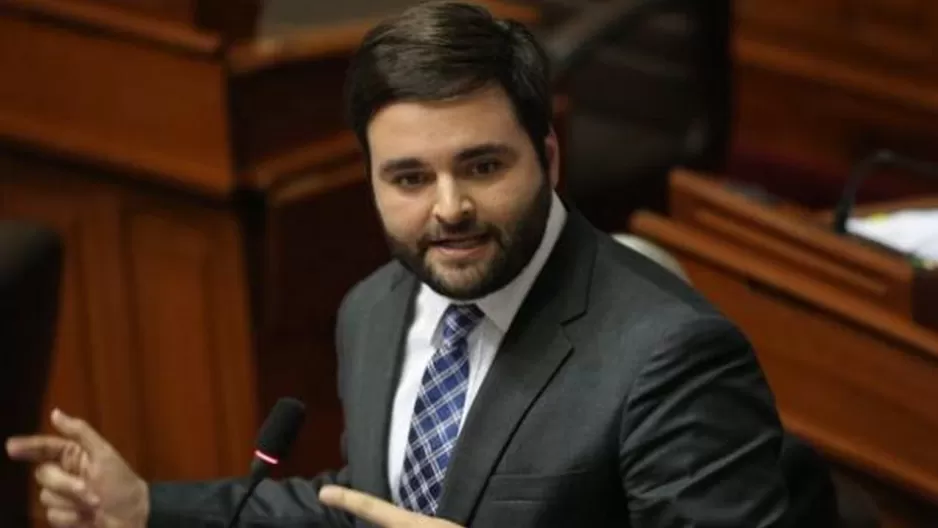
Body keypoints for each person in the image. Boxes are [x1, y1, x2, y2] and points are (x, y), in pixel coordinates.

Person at [7, 1, 794, 526]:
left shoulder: (671, 354)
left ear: (549, 157)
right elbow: (362, 507)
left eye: (483, 167)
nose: (448, 207)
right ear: (373, 182)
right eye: (410, 178)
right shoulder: (377, 309)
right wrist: (147, 506)